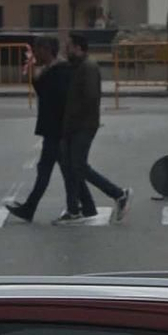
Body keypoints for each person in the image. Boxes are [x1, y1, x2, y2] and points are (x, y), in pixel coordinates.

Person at [58, 31, 129, 223]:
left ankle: (118, 193)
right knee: (69, 165)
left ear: (79, 48)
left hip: (83, 125)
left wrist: (73, 119)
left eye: (69, 46)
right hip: (74, 125)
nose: (66, 49)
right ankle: (78, 208)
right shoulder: (77, 65)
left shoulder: (88, 67)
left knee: (78, 166)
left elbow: (89, 98)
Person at [5, 37, 71, 222]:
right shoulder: (52, 70)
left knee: (63, 170)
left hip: (56, 130)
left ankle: (93, 200)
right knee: (59, 170)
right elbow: (44, 91)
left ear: (47, 49)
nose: (35, 54)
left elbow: (54, 99)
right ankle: (31, 207)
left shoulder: (59, 71)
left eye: (37, 50)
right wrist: (34, 74)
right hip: (53, 130)